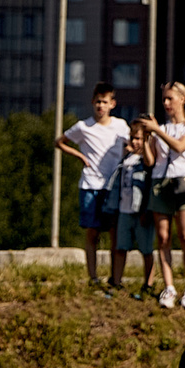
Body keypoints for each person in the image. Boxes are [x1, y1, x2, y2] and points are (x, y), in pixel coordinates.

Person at [134, 81, 185, 311]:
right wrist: (146, 139)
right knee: (163, 238)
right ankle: (169, 286)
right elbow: (150, 161)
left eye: (170, 99)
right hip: (160, 183)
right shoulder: (162, 128)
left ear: (182, 100)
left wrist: (156, 131)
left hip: (183, 182)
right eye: (164, 99)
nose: (166, 104)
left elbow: (180, 147)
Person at [54, 84, 129, 291]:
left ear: (112, 104)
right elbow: (60, 141)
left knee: (115, 233)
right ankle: (93, 276)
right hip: (90, 184)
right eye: (98, 101)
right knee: (92, 232)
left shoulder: (121, 126)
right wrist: (79, 155)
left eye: (105, 102)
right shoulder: (83, 127)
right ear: (92, 103)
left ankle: (115, 278)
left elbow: (131, 145)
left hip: (113, 185)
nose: (101, 106)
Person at [108, 125, 158, 300]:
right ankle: (116, 281)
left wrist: (147, 210)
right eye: (133, 138)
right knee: (121, 247)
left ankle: (148, 284)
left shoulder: (146, 161)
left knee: (146, 249)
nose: (135, 142)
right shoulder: (125, 160)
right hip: (124, 209)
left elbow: (150, 164)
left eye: (139, 139)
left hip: (140, 210)